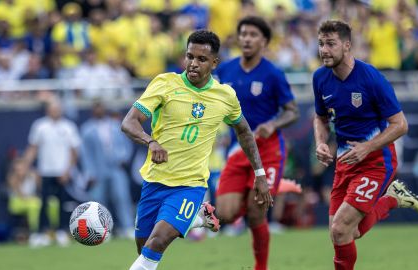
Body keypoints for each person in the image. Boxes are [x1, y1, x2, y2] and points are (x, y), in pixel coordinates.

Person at [121, 29, 272, 270]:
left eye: (201, 59)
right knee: (144, 249)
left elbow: (244, 131)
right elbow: (129, 122)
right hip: (154, 181)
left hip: (189, 185)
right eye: (190, 56)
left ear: (214, 63)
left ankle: (194, 214)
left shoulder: (225, 96)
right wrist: (151, 141)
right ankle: (198, 218)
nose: (193, 64)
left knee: (157, 243)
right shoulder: (164, 83)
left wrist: (260, 174)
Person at [312, 20, 418, 270]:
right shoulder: (320, 78)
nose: (324, 50)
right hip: (345, 162)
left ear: (347, 45)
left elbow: (400, 124)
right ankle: (391, 199)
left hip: (376, 161)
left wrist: (367, 147)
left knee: (341, 230)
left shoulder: (371, 77)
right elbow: (319, 117)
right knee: (344, 233)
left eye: (331, 43)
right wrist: (320, 142)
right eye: (321, 43)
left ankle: (391, 196)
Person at [214, 16, 299, 270]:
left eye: (252, 34)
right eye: (243, 34)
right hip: (237, 150)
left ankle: (261, 267)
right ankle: (267, 189)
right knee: (226, 214)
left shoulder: (273, 73)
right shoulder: (225, 70)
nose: (247, 39)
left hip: (268, 151)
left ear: (264, 41)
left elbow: (292, 111)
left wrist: (273, 124)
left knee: (255, 212)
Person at [24, 98, 81, 247]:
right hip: (45, 171)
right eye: (53, 108)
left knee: (63, 203)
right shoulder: (40, 126)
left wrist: (68, 171)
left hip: (62, 173)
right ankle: (43, 232)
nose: (55, 111)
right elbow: (33, 148)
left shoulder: (69, 127)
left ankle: (62, 232)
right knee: (43, 203)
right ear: (48, 110)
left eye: (58, 108)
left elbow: (74, 152)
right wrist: (28, 167)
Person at [80, 100, 134, 238]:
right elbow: (85, 153)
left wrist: (124, 158)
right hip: (98, 170)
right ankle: (102, 230)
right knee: (98, 200)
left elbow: (127, 144)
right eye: (96, 108)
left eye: (101, 108)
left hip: (116, 168)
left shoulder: (116, 125)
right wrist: (89, 172)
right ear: (93, 111)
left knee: (121, 196)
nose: (99, 111)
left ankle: (127, 227)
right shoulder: (87, 129)